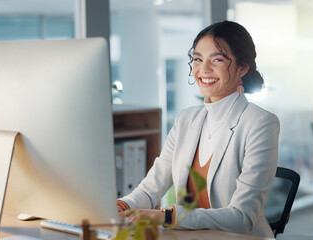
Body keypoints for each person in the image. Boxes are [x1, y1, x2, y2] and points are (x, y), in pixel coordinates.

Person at [117, 20, 280, 238]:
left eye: (217, 60)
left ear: (242, 67)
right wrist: (122, 206)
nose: (204, 70)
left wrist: (167, 216)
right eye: (197, 59)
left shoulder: (260, 123)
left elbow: (242, 217)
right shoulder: (186, 119)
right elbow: (150, 188)